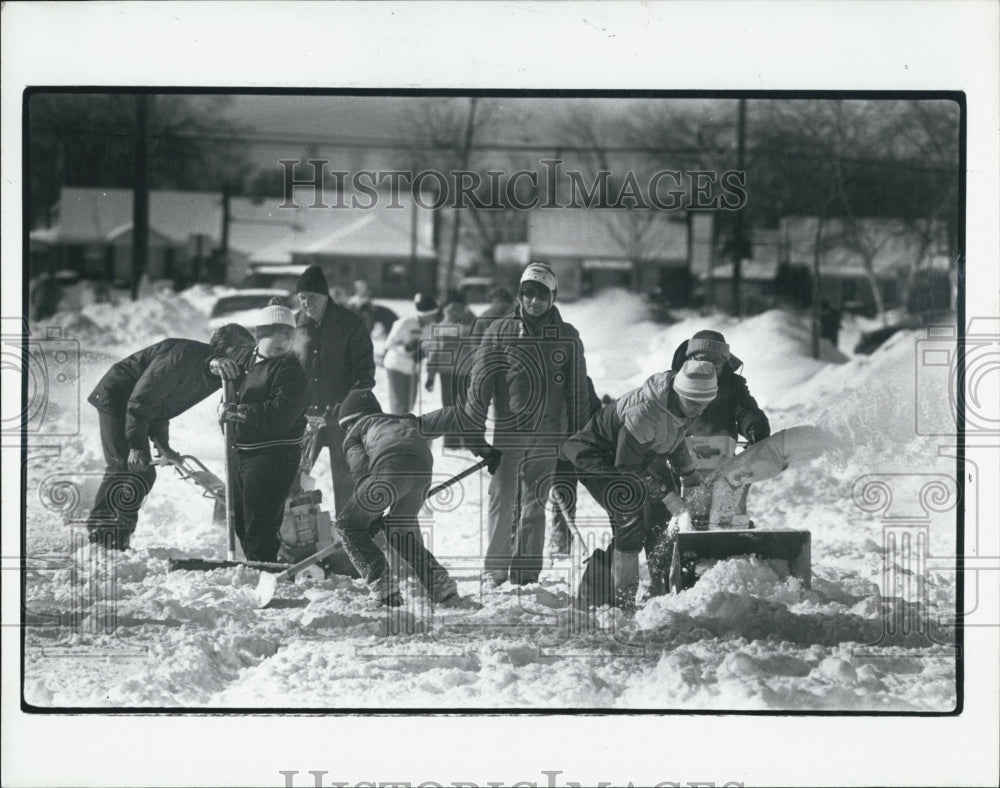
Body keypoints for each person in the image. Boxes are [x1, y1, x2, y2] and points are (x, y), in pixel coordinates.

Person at [464, 262, 591, 586]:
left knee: (535, 504)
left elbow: (577, 392)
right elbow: (480, 387)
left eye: (542, 295)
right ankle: (495, 569)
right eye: (528, 293)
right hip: (509, 432)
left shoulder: (567, 337)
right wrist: (475, 434)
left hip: (549, 432)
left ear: (554, 297)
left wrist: (576, 439)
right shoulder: (498, 332)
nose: (534, 301)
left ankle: (525, 573)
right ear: (520, 295)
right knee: (502, 500)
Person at [560, 360, 719, 610]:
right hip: (596, 457)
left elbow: (673, 439)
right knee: (629, 515)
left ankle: (658, 587)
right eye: (695, 404)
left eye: (705, 405)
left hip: (631, 460)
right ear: (680, 394)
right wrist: (667, 494)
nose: (699, 411)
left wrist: (689, 476)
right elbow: (627, 468)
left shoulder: (683, 405)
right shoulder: (645, 412)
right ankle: (623, 601)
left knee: (659, 519)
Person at [85, 323, 254, 549]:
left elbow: (161, 406)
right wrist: (136, 446)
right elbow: (142, 400)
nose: (246, 359)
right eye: (242, 351)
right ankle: (102, 533)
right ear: (226, 349)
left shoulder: (215, 376)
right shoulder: (182, 356)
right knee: (125, 467)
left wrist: (162, 445)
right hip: (116, 397)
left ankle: (117, 536)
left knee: (141, 473)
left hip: (138, 407)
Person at [334, 388, 497, 608]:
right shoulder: (408, 422)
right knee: (399, 532)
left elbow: (362, 470)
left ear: (349, 422)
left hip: (388, 469)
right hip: (421, 474)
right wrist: (482, 447)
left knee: (347, 525)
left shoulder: (355, 433)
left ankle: (384, 590)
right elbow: (453, 415)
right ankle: (442, 587)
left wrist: (368, 517)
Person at [220, 300, 309, 563]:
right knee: (242, 522)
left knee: (260, 525)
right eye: (275, 335)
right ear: (261, 336)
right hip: (240, 450)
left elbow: (280, 414)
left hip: (273, 455)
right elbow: (214, 356)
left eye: (288, 336)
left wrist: (237, 412)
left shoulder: (291, 370)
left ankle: (263, 570)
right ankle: (257, 565)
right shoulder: (244, 358)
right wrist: (216, 364)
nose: (282, 342)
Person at [294, 264, 376, 516]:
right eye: (303, 298)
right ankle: (296, 536)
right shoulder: (295, 324)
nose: (308, 304)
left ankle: (350, 537)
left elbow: (365, 375)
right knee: (294, 476)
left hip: (342, 419)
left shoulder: (350, 323)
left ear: (326, 296)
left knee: (347, 482)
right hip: (305, 419)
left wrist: (348, 404)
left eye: (313, 298)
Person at [424, 299, 478, 449]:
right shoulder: (470, 329)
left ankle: (451, 441)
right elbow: (476, 351)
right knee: (466, 406)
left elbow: (434, 353)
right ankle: (467, 440)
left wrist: (430, 377)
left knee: (448, 406)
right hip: (466, 370)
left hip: (446, 372)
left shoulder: (440, 329)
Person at [380, 292, 439, 415]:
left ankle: (405, 429)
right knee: (399, 404)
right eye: (431, 314)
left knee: (410, 404)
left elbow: (432, 349)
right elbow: (389, 344)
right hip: (397, 365)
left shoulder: (431, 327)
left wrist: (423, 354)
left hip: (414, 367)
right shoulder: (405, 323)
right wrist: (405, 348)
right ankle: (396, 429)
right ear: (424, 314)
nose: (433, 317)